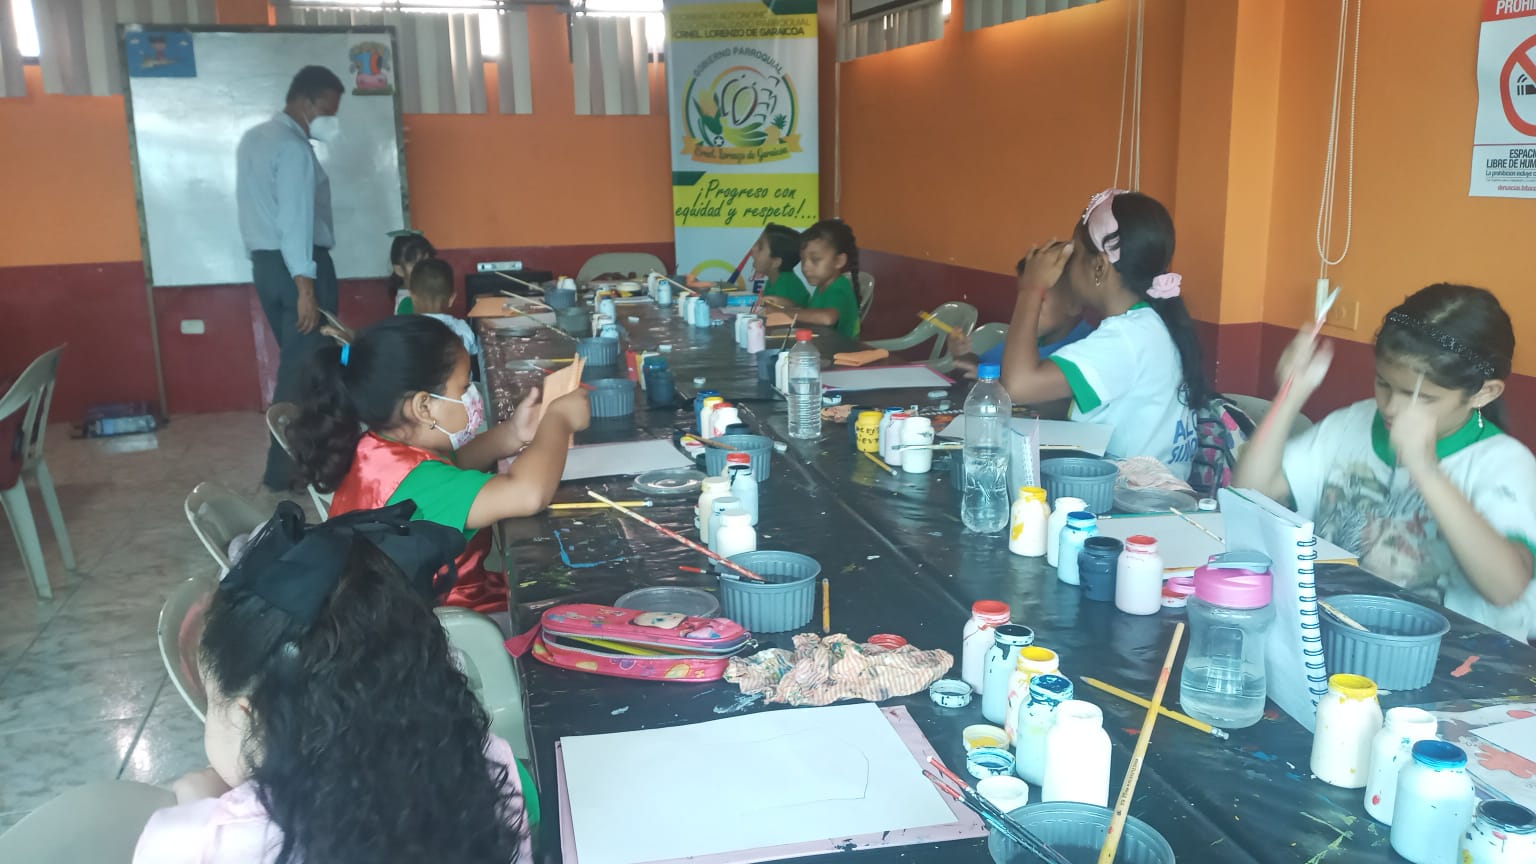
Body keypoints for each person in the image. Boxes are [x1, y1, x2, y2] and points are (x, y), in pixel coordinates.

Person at [133, 508, 532, 864]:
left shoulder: (190, 843)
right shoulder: (486, 762)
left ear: (253, 719)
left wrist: (198, 809)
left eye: (211, 703)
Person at [1234, 284, 1536, 640]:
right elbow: (1249, 492)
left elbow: (1506, 589)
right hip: (1340, 635)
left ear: (1484, 393)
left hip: (1454, 660)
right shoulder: (1352, 424)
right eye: (1383, 384)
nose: (1392, 407)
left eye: (1422, 397)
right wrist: (1290, 393)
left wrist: (1426, 469)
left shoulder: (1503, 464)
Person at [289, 317, 590, 614]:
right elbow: (528, 493)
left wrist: (513, 433)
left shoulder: (375, 448)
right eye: (464, 388)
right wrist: (558, 420)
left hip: (398, 614)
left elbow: (452, 466)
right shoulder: (424, 485)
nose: (472, 397)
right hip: (447, 624)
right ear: (423, 407)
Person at [998, 189, 1207, 479]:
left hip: (1133, 497)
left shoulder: (1125, 338)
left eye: (1074, 255)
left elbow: (1019, 385)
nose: (1066, 268)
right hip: (1156, 492)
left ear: (1099, 266)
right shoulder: (1151, 323)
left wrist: (1032, 288)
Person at [237, 66, 345, 493]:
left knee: (302, 366)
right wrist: (305, 286)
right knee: (304, 372)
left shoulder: (254, 139)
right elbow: (295, 220)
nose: (331, 120)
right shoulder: (293, 149)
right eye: (328, 111)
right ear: (306, 102)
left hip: (267, 266)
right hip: (300, 266)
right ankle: (284, 470)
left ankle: (306, 461)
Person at [948, 257, 1092, 379]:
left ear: (1073, 304)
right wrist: (962, 355)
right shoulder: (1030, 336)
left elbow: (1036, 392)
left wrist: (992, 379)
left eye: (1037, 299)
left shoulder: (1085, 349)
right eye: (1024, 298)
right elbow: (982, 365)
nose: (1024, 309)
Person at [759, 219, 862, 339]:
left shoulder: (839, 289)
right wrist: (785, 304)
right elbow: (811, 312)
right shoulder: (822, 286)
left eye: (815, 259)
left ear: (839, 261)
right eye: (803, 260)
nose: (805, 267)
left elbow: (827, 318)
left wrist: (783, 312)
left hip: (841, 350)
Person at [409, 258, 478, 361]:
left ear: (412, 297)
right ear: (451, 299)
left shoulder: (405, 333)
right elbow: (474, 357)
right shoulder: (463, 329)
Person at [750, 224, 809, 307]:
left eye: (760, 247)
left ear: (776, 262)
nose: (753, 248)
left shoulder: (785, 286)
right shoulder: (775, 278)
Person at [391, 232, 437, 315]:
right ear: (399, 270)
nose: (424, 269)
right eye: (416, 265)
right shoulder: (407, 303)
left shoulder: (420, 296)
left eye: (427, 263)